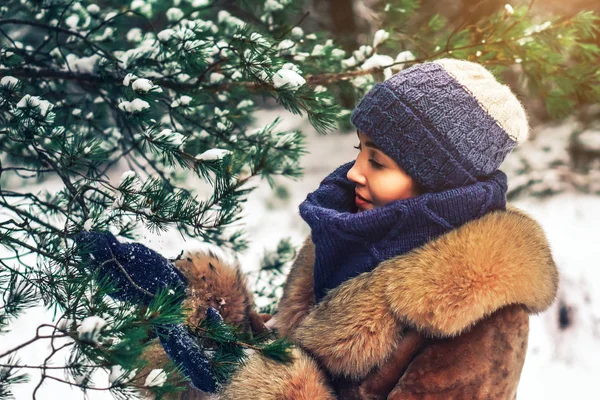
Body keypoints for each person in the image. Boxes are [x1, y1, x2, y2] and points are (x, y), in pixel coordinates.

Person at [78, 58, 559, 399]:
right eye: (359, 150)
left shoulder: (480, 312)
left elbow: (284, 379)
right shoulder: (347, 241)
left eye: (379, 161)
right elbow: (291, 355)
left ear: (437, 183)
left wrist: (267, 388)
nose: (354, 172)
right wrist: (195, 305)